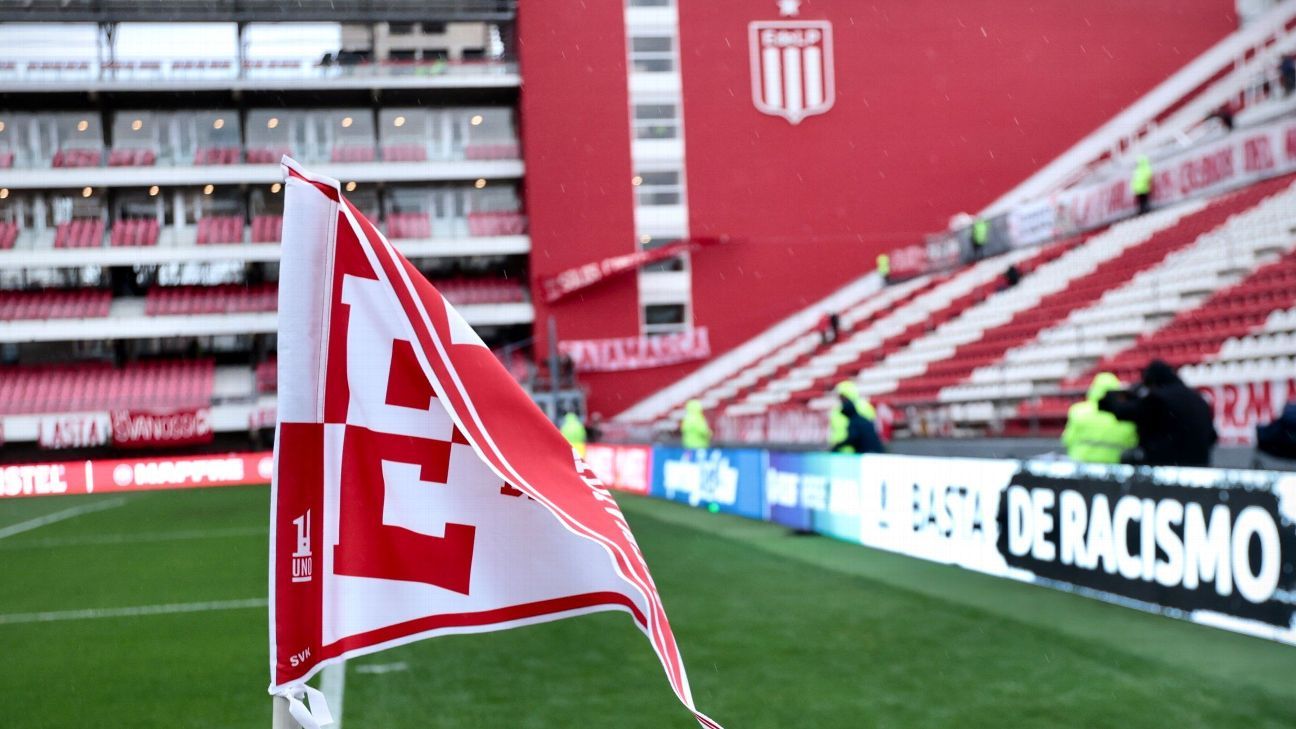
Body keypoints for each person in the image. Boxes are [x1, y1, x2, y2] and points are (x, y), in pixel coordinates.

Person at [1098, 360, 1216, 467]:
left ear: (1152, 381)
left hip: (1167, 469)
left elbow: (1123, 412)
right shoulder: (1199, 398)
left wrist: (1113, 397)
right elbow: (1213, 436)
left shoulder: (1158, 399)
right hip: (1200, 466)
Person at [1061, 372, 1139, 464]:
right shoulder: (1126, 414)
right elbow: (1133, 443)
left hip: (1080, 467)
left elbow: (1067, 440)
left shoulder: (1078, 411)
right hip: (1113, 469)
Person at [828, 380, 876, 452]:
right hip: (840, 450)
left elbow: (867, 431)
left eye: (842, 396)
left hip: (857, 450)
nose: (840, 398)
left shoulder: (864, 407)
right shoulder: (837, 410)